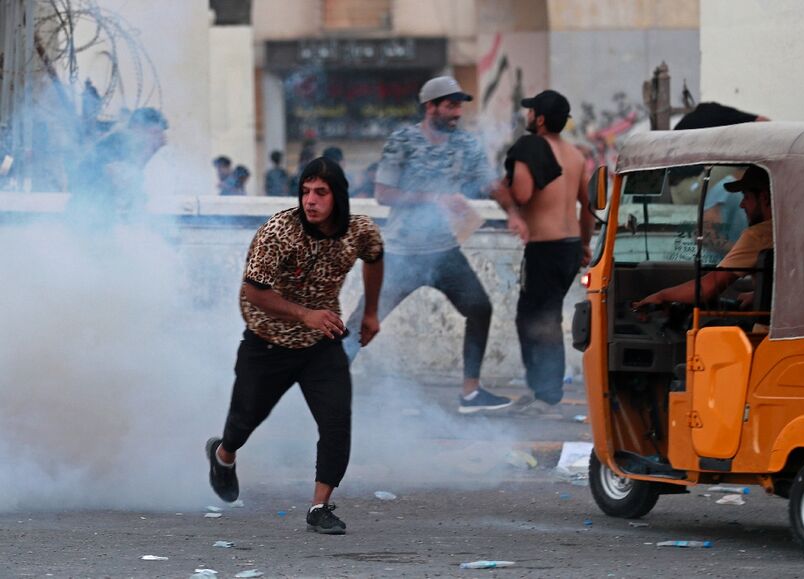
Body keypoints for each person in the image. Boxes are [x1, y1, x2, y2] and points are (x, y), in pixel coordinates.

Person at [206, 157, 384, 535]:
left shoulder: (358, 230)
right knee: (243, 422)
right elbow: (253, 291)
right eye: (305, 191)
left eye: (321, 192)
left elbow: (375, 256)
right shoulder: (278, 232)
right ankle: (223, 455)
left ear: (339, 196)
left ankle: (320, 506)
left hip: (321, 342)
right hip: (268, 342)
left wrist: (370, 312)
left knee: (336, 421)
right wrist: (304, 314)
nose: (310, 201)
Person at [343, 75, 510, 414]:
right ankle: (325, 383)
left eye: (459, 106)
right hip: (402, 253)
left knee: (480, 308)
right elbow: (383, 194)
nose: (456, 113)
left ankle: (470, 393)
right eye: (449, 106)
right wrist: (433, 198)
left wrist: (516, 215)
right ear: (430, 107)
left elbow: (491, 184)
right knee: (364, 320)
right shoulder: (402, 141)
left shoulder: (466, 144)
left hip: (444, 251)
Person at [492, 90, 595, 414]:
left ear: (538, 118)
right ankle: (541, 389)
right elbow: (588, 205)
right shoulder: (577, 154)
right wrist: (584, 242)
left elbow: (521, 194)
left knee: (540, 320)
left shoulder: (530, 148)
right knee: (536, 317)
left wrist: (499, 191)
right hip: (567, 246)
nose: (526, 116)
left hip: (545, 248)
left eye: (530, 111)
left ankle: (547, 395)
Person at [633, 165, 772, 309]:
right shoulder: (785, 231)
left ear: (765, 198)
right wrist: (759, 294)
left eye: (746, 197)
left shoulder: (759, 235)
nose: (742, 205)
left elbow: (707, 288)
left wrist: (661, 296)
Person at [68, 107, 168, 224]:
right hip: (89, 214)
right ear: (137, 128)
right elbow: (119, 178)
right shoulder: (118, 144)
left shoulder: (138, 149)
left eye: (160, 134)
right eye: (155, 133)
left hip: (101, 214)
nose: (161, 140)